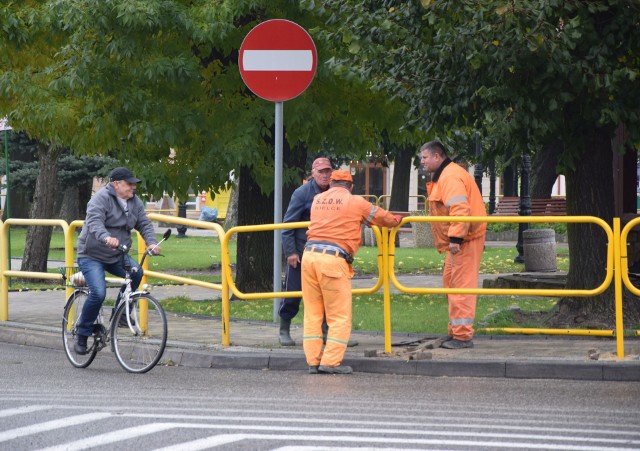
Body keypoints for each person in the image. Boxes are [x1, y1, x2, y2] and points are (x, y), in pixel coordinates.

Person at [302, 170, 400, 374]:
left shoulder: (318, 199)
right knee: (339, 316)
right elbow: (382, 218)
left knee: (313, 313)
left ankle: (313, 361)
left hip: (309, 257)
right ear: (351, 186)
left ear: (331, 184)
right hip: (333, 260)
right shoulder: (356, 202)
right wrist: (396, 220)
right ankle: (330, 362)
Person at [73, 167, 160, 355]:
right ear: (116, 184)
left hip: (117, 254)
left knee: (137, 273)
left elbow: (143, 223)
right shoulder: (100, 199)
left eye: (133, 184)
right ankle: (82, 333)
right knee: (98, 293)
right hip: (92, 255)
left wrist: (151, 243)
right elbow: (94, 223)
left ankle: (120, 314)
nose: (133, 187)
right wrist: (106, 237)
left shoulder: (134, 202)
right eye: (129, 184)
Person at [419, 140, 487, 349]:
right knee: (451, 282)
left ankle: (462, 336)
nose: (422, 161)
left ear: (437, 157)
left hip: (465, 239)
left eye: (425, 157)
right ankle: (456, 332)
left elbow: (460, 208)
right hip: (461, 239)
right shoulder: (445, 176)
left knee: (461, 286)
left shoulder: (449, 177)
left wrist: (456, 238)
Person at [279, 157, 332, 346]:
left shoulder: (335, 193)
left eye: (327, 171)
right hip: (301, 254)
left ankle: (327, 333)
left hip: (327, 254)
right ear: (313, 173)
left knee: (328, 294)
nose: (325, 175)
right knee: (293, 293)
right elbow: (288, 225)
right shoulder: (301, 193)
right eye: (321, 172)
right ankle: (283, 329)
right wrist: (291, 252)